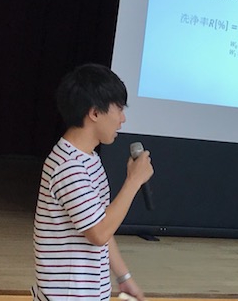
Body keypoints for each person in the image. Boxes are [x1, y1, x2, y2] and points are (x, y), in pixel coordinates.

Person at [32, 63, 154, 300]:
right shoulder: (69, 166)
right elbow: (98, 233)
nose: (122, 119)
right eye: (119, 109)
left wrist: (124, 278)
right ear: (95, 113)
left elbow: (101, 225)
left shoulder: (88, 159)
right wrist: (133, 181)